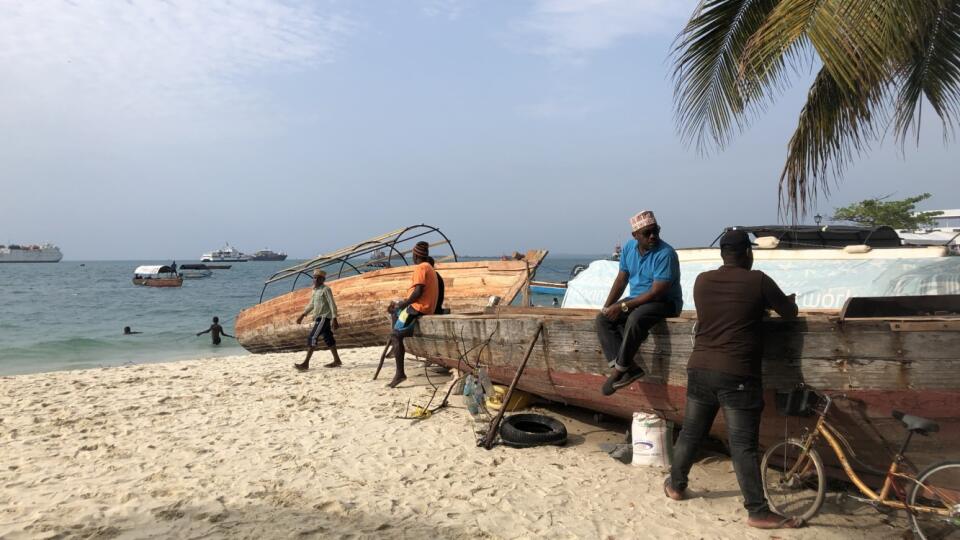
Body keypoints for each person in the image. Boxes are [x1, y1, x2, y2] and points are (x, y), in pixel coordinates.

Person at [664, 229, 801, 529]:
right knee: (743, 445)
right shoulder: (759, 281)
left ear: (723, 254)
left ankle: (675, 485)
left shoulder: (702, 280)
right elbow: (790, 313)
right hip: (738, 374)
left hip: (699, 367)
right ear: (747, 253)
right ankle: (757, 510)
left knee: (690, 433)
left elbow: (723, 311)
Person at [596, 210, 682, 396]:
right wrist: (608, 307)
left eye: (656, 231)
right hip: (639, 299)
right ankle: (630, 368)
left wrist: (624, 306)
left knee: (636, 317)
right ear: (635, 236)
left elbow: (657, 291)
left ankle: (618, 372)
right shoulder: (628, 248)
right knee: (602, 320)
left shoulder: (665, 253)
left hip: (665, 301)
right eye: (647, 233)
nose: (653, 236)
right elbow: (621, 279)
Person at [386, 241, 438, 388]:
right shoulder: (429, 267)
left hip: (418, 309)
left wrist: (405, 303)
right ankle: (395, 344)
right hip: (421, 307)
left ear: (416, 255)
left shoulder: (421, 268)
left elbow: (418, 291)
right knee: (394, 311)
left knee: (395, 335)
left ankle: (400, 373)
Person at [294, 269, 341, 370]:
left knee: (312, 337)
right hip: (318, 317)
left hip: (324, 317)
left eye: (317, 278)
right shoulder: (315, 290)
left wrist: (334, 318)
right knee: (328, 338)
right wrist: (302, 315)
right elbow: (311, 304)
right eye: (314, 278)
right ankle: (337, 360)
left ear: (322, 280)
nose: (315, 280)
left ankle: (305, 363)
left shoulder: (326, 289)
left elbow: (332, 304)